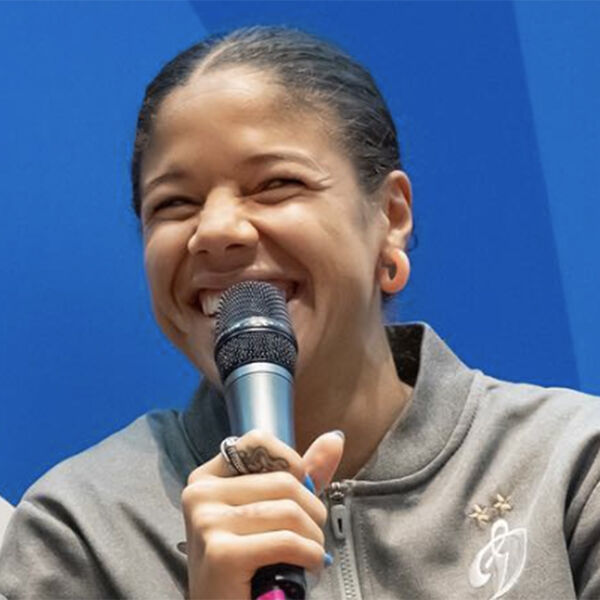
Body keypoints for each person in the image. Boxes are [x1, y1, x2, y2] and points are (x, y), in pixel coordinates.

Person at [1, 24, 600, 600]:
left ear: (390, 217)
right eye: (175, 203)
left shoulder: (568, 467)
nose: (216, 230)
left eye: (275, 185)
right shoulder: (82, 529)